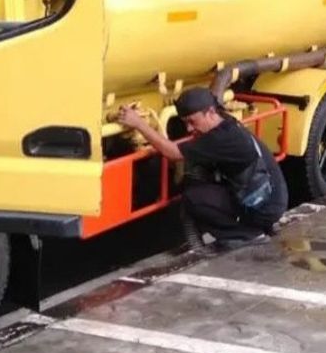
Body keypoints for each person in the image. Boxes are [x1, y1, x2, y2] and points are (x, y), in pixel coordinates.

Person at [117, 88, 288, 249]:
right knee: (195, 182)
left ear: (211, 113)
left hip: (266, 206)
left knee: (194, 198)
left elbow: (173, 152)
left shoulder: (221, 139)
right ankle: (254, 224)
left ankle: (247, 234)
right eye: (185, 123)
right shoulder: (227, 122)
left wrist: (139, 123)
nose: (189, 129)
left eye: (192, 121)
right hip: (270, 197)